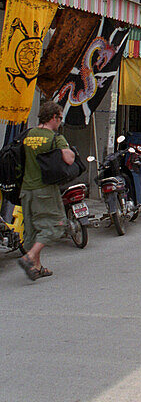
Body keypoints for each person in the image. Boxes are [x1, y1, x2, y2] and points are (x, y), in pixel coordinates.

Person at [18, 99, 76, 281]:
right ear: (53, 117)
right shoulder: (55, 138)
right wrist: (68, 150)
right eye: (60, 118)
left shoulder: (27, 134)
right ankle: (29, 257)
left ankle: (36, 267)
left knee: (32, 229)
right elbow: (69, 160)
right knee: (55, 224)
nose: (60, 121)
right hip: (45, 190)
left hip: (26, 190)